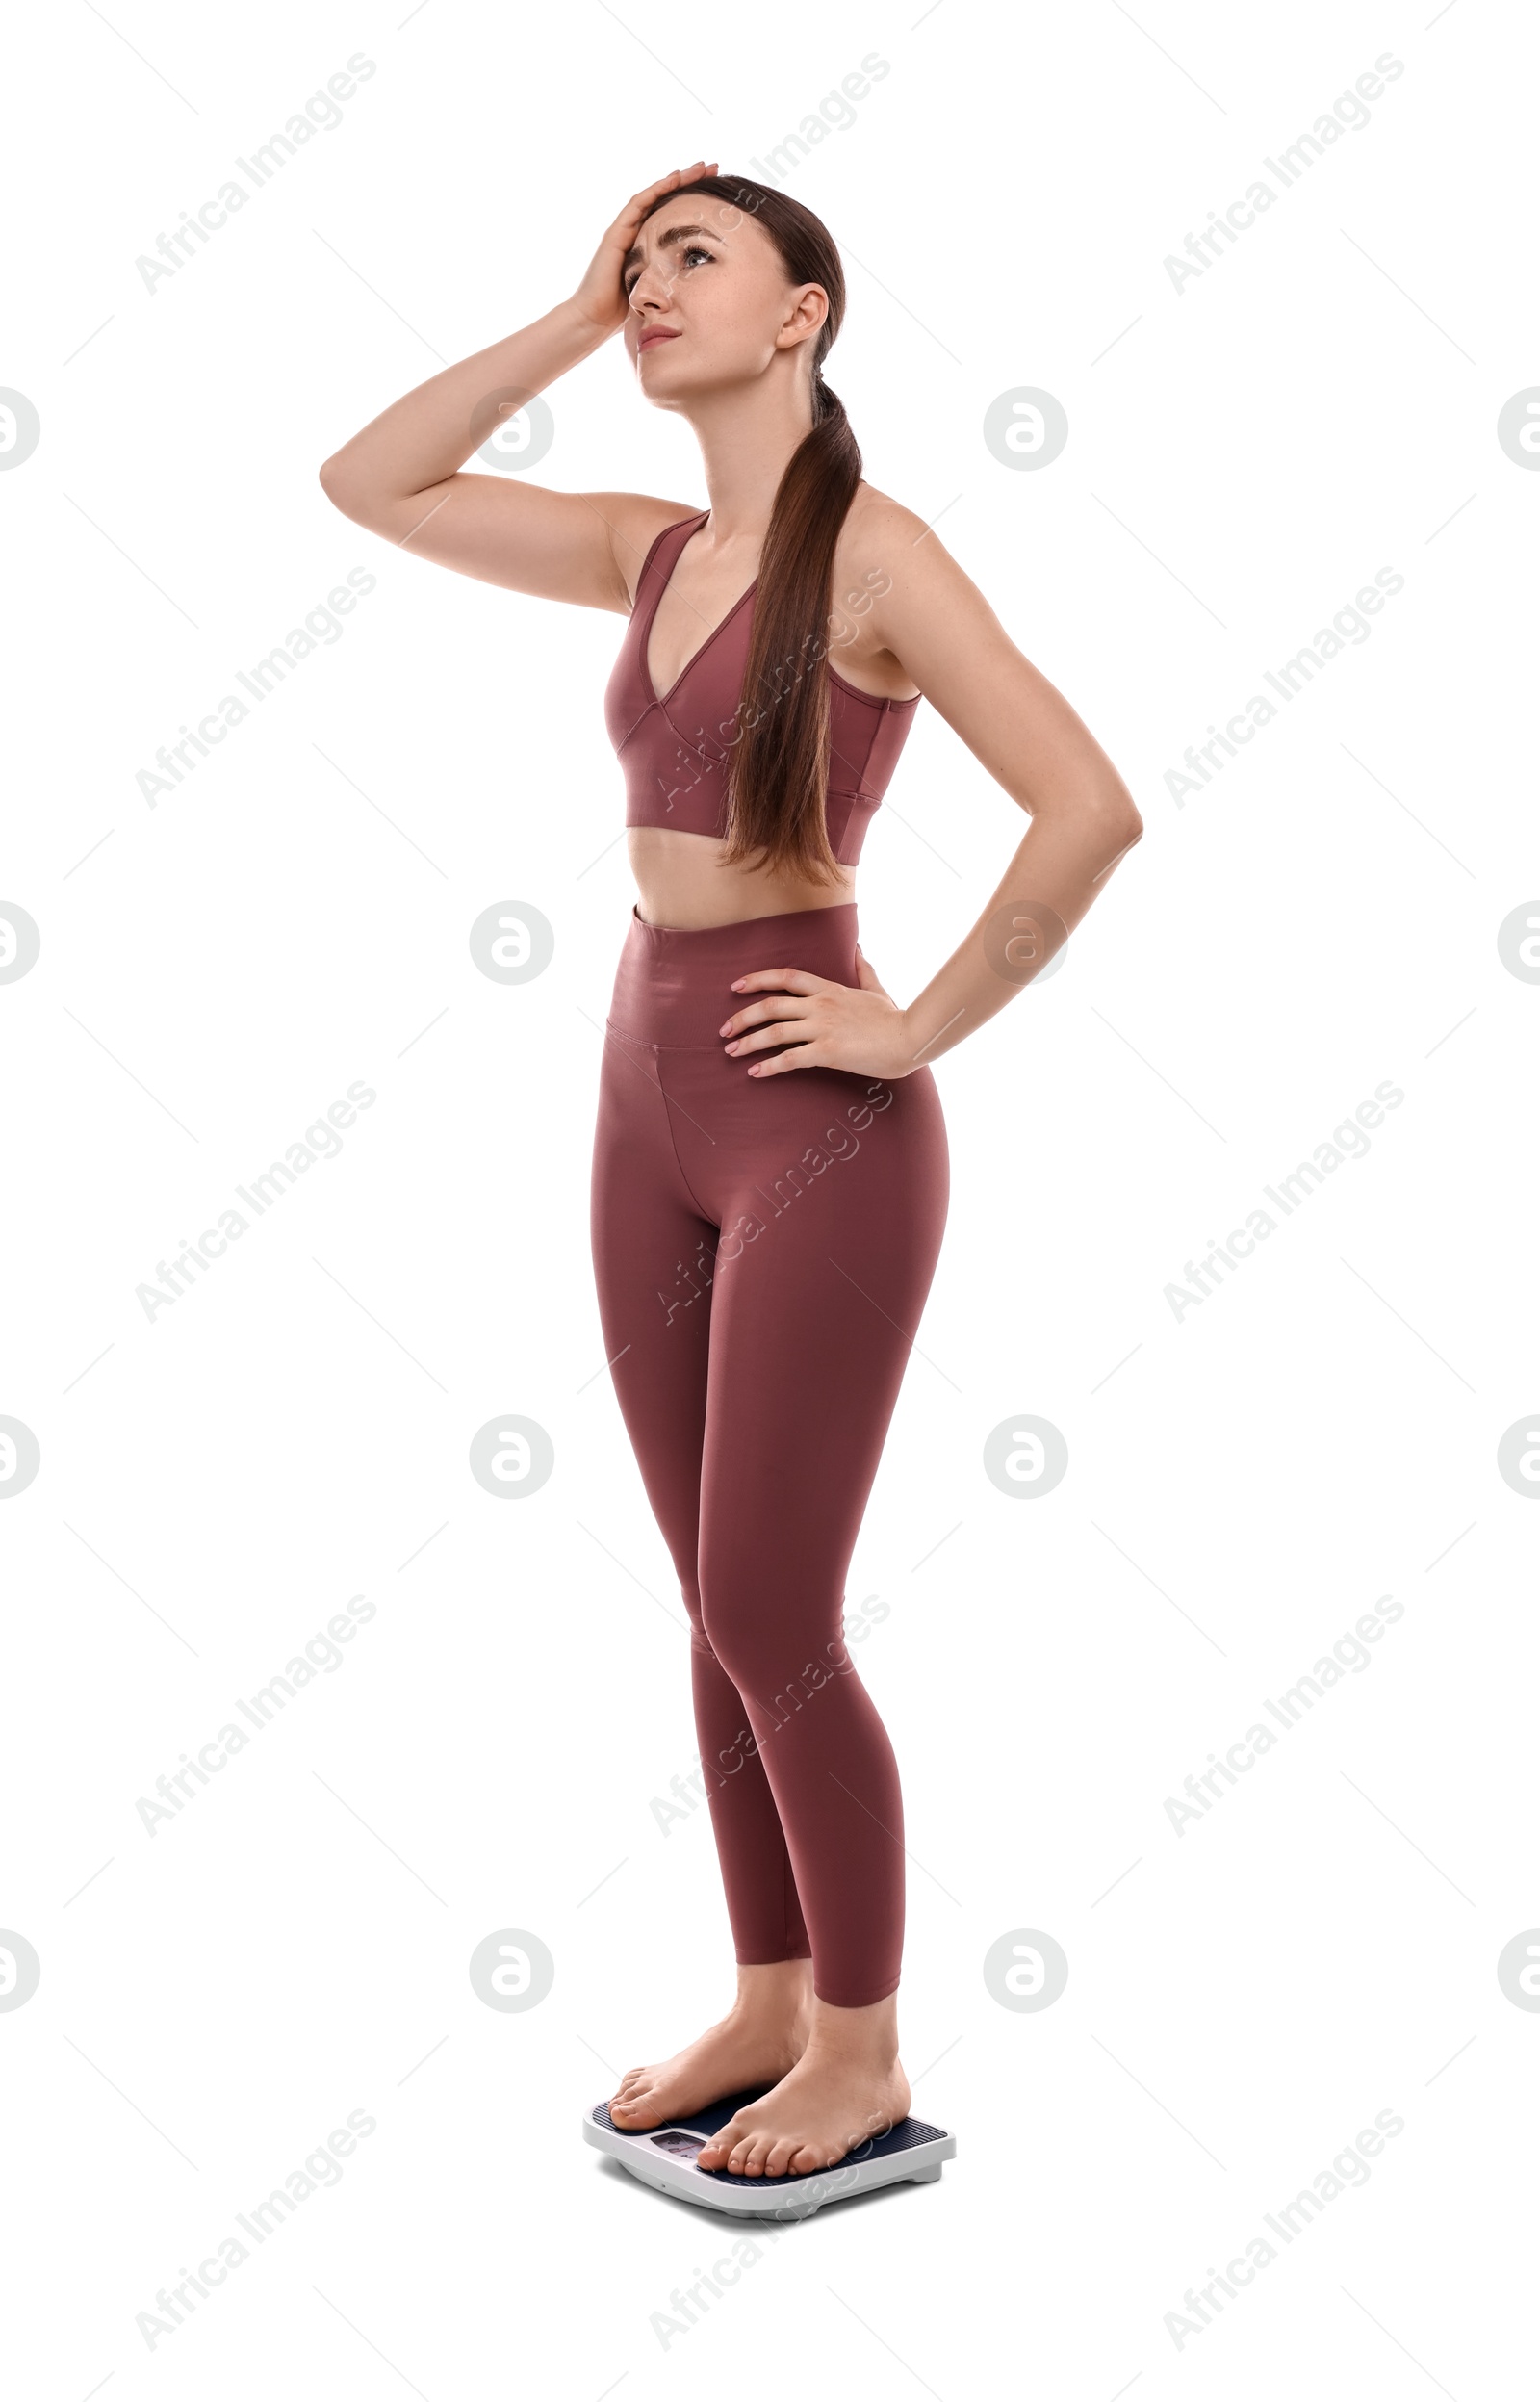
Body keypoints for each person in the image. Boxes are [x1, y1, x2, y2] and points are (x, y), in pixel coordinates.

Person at [320, 164, 1142, 2181]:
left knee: (776, 1601)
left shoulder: (876, 556)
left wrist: (912, 1022)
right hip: (636, 1089)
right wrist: (567, 314)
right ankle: (769, 1998)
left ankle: (860, 2052)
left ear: (805, 314)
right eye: (639, 256)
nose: (651, 280)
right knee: (708, 1596)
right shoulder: (645, 545)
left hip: (812, 1117)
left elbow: (1087, 806)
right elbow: (370, 479)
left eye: (693, 257)